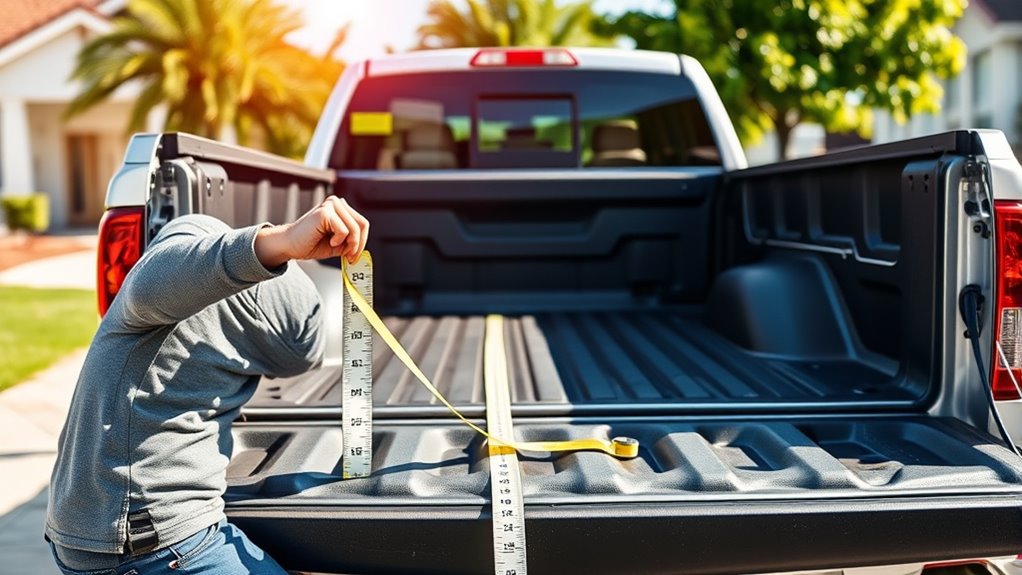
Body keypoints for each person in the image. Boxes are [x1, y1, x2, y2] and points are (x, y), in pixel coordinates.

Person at [45, 197, 370, 575]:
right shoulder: (156, 293)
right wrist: (278, 244)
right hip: (152, 546)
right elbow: (155, 283)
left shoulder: (151, 313)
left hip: (97, 532)